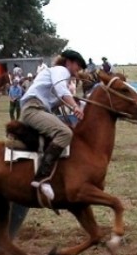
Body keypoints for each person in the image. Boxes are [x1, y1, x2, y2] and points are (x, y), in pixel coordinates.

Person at [20, 49, 87, 201]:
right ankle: (42, 178)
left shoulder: (56, 73)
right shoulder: (60, 70)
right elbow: (60, 89)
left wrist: (73, 101)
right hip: (34, 109)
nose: (78, 71)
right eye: (78, 66)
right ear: (69, 62)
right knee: (65, 133)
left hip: (37, 108)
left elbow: (57, 98)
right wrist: (75, 107)